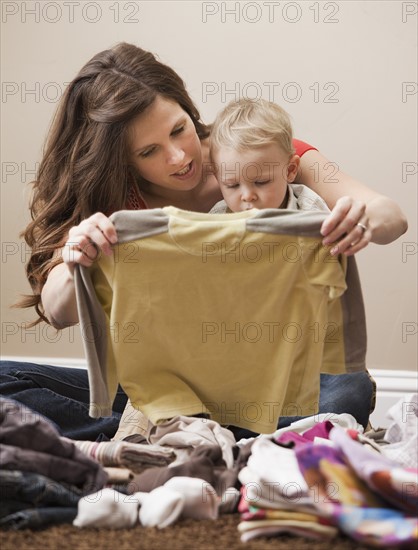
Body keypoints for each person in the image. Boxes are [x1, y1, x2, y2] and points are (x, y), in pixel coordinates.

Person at [0, 42, 407, 440]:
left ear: (189, 109)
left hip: (280, 373)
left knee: (346, 387)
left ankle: (186, 438)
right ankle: (214, 434)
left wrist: (360, 219)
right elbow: (58, 311)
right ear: (121, 159)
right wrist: (78, 259)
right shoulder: (114, 203)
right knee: (6, 381)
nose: (178, 157)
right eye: (149, 151)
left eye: (180, 130)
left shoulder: (256, 156)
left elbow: (391, 217)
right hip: (174, 382)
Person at [208, 97, 329, 214]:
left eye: (261, 182)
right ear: (218, 179)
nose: (247, 196)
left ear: (289, 170)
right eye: (232, 185)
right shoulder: (216, 219)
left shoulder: (310, 210)